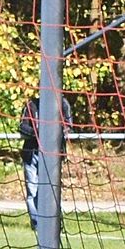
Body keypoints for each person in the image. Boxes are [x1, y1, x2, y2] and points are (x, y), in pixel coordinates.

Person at [19, 96, 73, 230]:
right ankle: (37, 224)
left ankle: (54, 222)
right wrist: (38, 133)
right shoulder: (32, 104)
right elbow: (22, 126)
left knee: (52, 189)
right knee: (32, 190)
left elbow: (69, 126)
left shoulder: (62, 103)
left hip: (53, 154)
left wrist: (53, 133)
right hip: (32, 153)